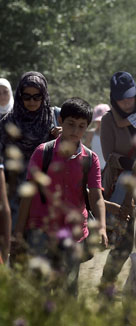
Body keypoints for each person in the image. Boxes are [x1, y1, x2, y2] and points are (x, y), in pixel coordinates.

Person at [14, 97, 108, 295]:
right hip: (41, 231)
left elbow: (96, 197)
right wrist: (19, 234)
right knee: (37, 291)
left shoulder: (90, 159)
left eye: (81, 126)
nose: (75, 131)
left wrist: (101, 228)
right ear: (60, 121)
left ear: (87, 128)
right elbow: (28, 196)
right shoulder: (43, 152)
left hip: (73, 235)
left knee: (68, 292)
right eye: (70, 124)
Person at [99, 71, 136, 291]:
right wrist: (133, 163)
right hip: (122, 187)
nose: (127, 102)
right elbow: (109, 157)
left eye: (131, 97)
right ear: (113, 99)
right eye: (122, 98)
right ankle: (107, 286)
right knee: (123, 244)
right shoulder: (108, 121)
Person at [0, 72, 59, 230]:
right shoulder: (8, 123)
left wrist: (63, 137)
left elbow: (76, 141)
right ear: (19, 96)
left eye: (37, 96)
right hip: (16, 189)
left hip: (47, 187)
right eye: (26, 97)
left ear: (44, 95)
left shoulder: (56, 117)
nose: (32, 101)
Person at [85, 104, 110, 169]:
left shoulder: (111, 134)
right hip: (95, 168)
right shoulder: (91, 133)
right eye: (98, 121)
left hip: (108, 169)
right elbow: (85, 151)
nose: (100, 123)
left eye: (102, 120)